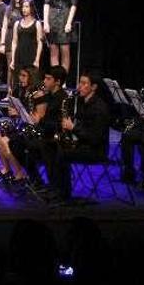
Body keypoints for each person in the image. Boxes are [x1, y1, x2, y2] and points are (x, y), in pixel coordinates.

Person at [47, 72, 110, 201]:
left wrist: (73, 128)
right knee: (50, 146)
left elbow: (95, 138)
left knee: (63, 154)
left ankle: (64, 195)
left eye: (84, 83)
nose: (79, 86)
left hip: (95, 150)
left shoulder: (99, 108)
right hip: (83, 144)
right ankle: (55, 187)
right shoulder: (83, 102)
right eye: (79, 82)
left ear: (94, 87)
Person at [0, 66, 44, 184]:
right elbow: (13, 110)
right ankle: (7, 169)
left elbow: (36, 120)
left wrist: (19, 112)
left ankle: (20, 173)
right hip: (20, 126)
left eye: (24, 76)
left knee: (5, 141)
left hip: (32, 131)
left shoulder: (38, 95)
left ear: (32, 78)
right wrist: (12, 110)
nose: (21, 78)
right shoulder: (19, 90)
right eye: (20, 75)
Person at [43, 0, 79, 74]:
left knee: (65, 51)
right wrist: (46, 22)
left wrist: (69, 22)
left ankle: (62, 81)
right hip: (52, 19)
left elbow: (73, 5)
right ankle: (55, 79)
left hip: (65, 18)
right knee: (53, 51)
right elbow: (46, 4)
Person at [10, 0, 43, 86]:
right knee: (18, 81)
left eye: (27, 7)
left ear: (31, 8)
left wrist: (37, 59)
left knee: (31, 81)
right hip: (19, 56)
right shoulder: (17, 23)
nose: (24, 9)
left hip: (31, 56)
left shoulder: (37, 23)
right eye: (23, 7)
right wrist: (13, 59)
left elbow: (39, 42)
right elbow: (14, 42)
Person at [0, 0, 26, 89]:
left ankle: (20, 92)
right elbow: (4, 27)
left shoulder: (26, 7)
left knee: (22, 68)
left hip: (22, 39)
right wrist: (2, 43)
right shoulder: (9, 9)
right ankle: (9, 92)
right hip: (10, 39)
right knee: (11, 67)